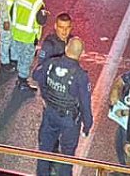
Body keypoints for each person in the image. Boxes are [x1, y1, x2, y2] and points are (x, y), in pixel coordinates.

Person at [32, 37, 92, 176]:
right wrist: (87, 125)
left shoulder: (51, 63)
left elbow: (36, 75)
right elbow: (85, 103)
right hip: (69, 120)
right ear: (82, 53)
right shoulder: (80, 76)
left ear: (66, 48)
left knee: (45, 150)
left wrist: (46, 95)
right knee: (67, 156)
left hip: (50, 112)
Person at [9, 0, 46, 91]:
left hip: (15, 33)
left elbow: (11, 12)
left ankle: (18, 73)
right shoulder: (38, 2)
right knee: (26, 60)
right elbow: (41, 21)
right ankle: (22, 82)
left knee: (18, 55)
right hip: (28, 37)